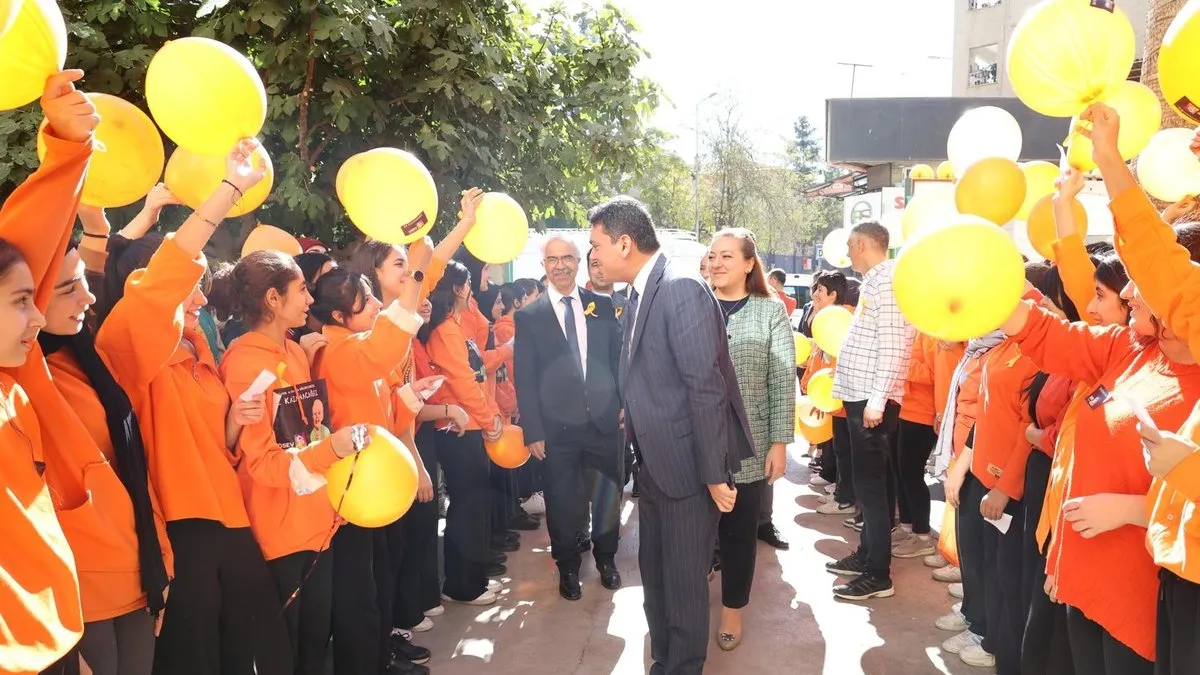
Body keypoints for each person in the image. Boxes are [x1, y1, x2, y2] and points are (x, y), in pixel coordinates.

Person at [96, 140, 294, 675]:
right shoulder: (128, 344)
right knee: (197, 649)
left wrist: (234, 422)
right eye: (194, 291)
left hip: (227, 512)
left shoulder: (203, 351)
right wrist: (228, 189)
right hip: (181, 523)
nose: (204, 300)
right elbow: (168, 275)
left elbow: (218, 446)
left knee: (251, 636)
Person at [587, 196, 753, 675]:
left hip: (686, 474)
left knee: (682, 591)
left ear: (624, 242)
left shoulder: (679, 289)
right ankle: (665, 664)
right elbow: (655, 373)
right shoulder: (640, 291)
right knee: (656, 584)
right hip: (654, 466)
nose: (592, 255)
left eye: (597, 245)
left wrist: (713, 473)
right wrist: (633, 413)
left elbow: (706, 388)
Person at [219, 251, 366, 675]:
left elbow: (304, 432)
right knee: (285, 653)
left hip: (317, 522)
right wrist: (332, 450)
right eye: (301, 288)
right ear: (272, 298)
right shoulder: (245, 364)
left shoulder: (293, 351)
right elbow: (264, 463)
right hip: (279, 532)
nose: (309, 298)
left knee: (314, 644)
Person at [0, 70, 95, 675]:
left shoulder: (14, 384)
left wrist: (67, 142)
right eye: (19, 303)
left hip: (49, 641)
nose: (38, 317)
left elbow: (30, 246)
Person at [307, 265, 433, 675]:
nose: (379, 303)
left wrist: (410, 400)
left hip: (375, 486)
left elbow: (384, 415)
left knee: (378, 586)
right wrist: (417, 270)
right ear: (340, 317)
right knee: (360, 599)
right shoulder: (341, 351)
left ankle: (379, 660)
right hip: (353, 494)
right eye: (367, 301)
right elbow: (386, 347)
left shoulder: (354, 344)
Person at [513, 235, 624, 601]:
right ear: (543, 265)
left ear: (579, 261)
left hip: (604, 424)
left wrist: (623, 402)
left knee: (607, 496)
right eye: (552, 259)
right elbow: (524, 377)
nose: (560, 265)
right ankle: (568, 567)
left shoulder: (601, 306)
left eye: (567, 258)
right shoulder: (529, 316)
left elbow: (616, 358)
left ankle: (607, 559)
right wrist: (533, 429)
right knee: (561, 502)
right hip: (556, 431)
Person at [705, 229, 794, 651]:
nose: (717, 263)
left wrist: (779, 441)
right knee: (694, 531)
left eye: (727, 256)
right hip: (695, 443)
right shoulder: (693, 304)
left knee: (740, 531)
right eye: (712, 255)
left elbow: (781, 379)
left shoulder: (769, 311)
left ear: (747, 263)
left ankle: (732, 610)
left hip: (751, 441)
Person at [826, 220, 915, 601]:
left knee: (873, 488)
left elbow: (895, 345)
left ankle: (878, 574)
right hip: (863, 397)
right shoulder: (877, 282)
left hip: (871, 401)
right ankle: (867, 554)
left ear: (863, 244)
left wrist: (877, 400)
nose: (847, 252)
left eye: (850, 245)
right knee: (867, 485)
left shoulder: (887, 281)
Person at [418, 261, 506, 606]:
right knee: (467, 508)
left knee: (474, 505)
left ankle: (474, 578)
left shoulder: (454, 326)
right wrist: (489, 419)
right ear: (458, 288)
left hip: (469, 424)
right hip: (459, 429)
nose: (476, 290)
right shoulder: (445, 331)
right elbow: (464, 384)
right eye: (471, 282)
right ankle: (462, 585)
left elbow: (477, 372)